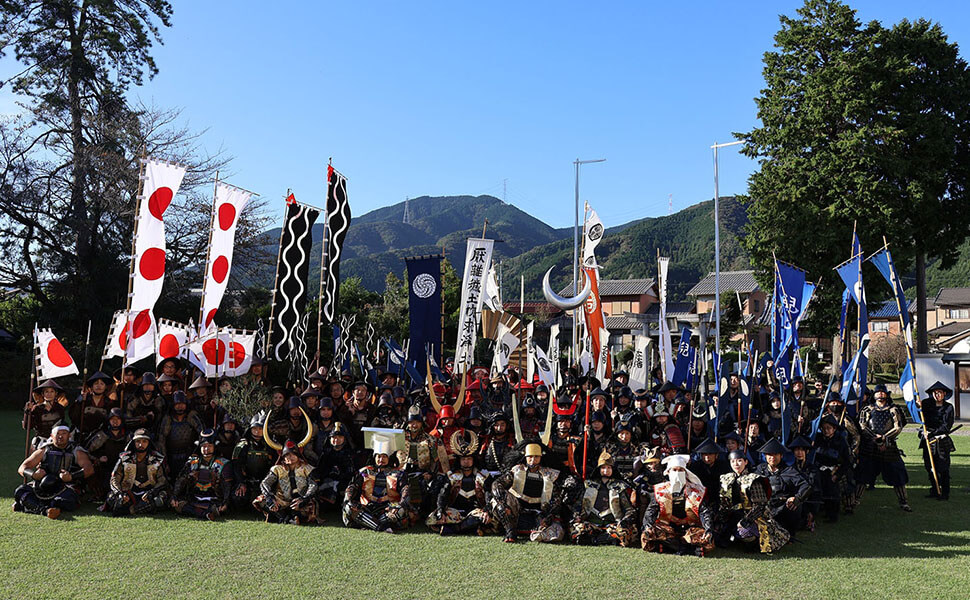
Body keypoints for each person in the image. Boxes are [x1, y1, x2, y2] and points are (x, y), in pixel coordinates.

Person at [716, 450, 789, 554]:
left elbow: (760, 506)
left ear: (746, 462)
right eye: (733, 461)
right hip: (732, 515)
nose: (736, 464)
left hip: (753, 517)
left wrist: (745, 521)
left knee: (743, 532)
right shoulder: (726, 478)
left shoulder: (754, 480)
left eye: (739, 461)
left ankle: (753, 544)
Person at [490, 443, 565, 543]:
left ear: (541, 457)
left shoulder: (550, 474)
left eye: (536, 457)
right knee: (497, 503)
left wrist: (549, 518)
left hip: (539, 512)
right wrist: (504, 503)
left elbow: (557, 499)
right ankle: (510, 532)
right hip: (516, 510)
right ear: (525, 457)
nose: (533, 460)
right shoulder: (517, 470)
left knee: (556, 533)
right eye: (530, 457)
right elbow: (497, 484)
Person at [343, 429, 415, 533]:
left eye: (384, 456)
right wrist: (348, 498)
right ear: (374, 457)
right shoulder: (365, 471)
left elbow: (405, 490)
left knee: (400, 511)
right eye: (379, 456)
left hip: (388, 510)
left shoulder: (399, 473)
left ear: (390, 457)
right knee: (349, 507)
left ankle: (370, 524)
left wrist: (401, 504)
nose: (381, 460)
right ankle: (381, 527)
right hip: (367, 508)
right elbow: (353, 486)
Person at [641, 454, 714, 556]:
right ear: (668, 472)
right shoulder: (660, 490)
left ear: (685, 472)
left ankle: (671, 547)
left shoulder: (696, 490)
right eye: (674, 470)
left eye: (680, 470)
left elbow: (704, 512)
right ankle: (685, 548)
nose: (677, 473)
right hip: (667, 527)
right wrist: (648, 526)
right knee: (648, 534)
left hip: (690, 527)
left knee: (705, 538)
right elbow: (651, 511)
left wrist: (708, 529)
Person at [14, 425, 93, 518]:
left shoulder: (76, 450)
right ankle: (45, 510)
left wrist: (71, 476)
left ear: (69, 436)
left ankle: (26, 506)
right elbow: (22, 467)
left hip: (66, 486)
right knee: (20, 491)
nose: (60, 436)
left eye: (64, 433)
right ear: (51, 436)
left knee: (66, 500)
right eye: (57, 434)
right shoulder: (44, 450)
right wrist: (34, 475)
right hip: (43, 486)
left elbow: (89, 469)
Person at [856, 384, 911, 511]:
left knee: (898, 474)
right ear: (873, 395)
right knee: (863, 474)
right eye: (878, 392)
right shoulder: (867, 409)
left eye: (882, 392)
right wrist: (875, 437)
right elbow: (862, 426)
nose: (880, 394)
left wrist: (885, 438)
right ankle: (855, 500)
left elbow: (898, 426)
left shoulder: (894, 409)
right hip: (870, 446)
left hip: (889, 447)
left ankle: (903, 501)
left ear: (887, 394)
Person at [426, 430, 492, 535]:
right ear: (459, 460)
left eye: (469, 458)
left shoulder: (482, 476)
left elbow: (489, 494)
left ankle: (454, 529)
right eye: (463, 459)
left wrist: (487, 510)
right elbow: (443, 493)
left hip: (476, 511)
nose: (466, 462)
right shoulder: (452, 476)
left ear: (474, 460)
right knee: (433, 518)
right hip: (455, 512)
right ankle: (472, 529)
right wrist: (441, 510)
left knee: (486, 518)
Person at [570, 451, 636, 547]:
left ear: (613, 469)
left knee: (624, 533)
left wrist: (624, 520)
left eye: (609, 468)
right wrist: (576, 516)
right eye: (603, 468)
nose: (606, 470)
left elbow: (629, 509)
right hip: (591, 523)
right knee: (577, 530)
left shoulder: (619, 486)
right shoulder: (589, 484)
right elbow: (578, 504)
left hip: (612, 524)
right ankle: (603, 539)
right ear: (599, 469)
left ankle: (597, 539)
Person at [171, 429, 233, 520]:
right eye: (203, 446)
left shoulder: (223, 463)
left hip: (214, 499)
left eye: (209, 446)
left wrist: (225, 502)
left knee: (219, 509)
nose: (206, 449)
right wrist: (174, 496)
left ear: (215, 446)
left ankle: (206, 512)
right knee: (178, 505)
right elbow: (181, 480)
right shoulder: (192, 462)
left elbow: (227, 486)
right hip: (193, 498)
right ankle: (205, 514)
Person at [105, 429, 169, 516]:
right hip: (129, 492)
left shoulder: (156, 459)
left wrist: (152, 492)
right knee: (112, 497)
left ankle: (128, 510)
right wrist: (120, 493)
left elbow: (162, 480)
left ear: (148, 443)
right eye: (138, 441)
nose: (140, 444)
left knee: (161, 498)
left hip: (148, 492)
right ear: (133, 443)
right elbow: (115, 478)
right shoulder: (125, 458)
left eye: (144, 441)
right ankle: (137, 508)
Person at [254, 441, 319, 524]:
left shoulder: (307, 468)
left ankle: (287, 518)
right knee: (261, 500)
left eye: (293, 454)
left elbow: (313, 485)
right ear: (283, 457)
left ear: (298, 455)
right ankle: (285, 518)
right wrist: (269, 497)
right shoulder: (277, 469)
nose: (290, 457)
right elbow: (265, 483)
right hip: (281, 500)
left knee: (311, 507)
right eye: (287, 455)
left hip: (300, 500)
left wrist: (305, 498)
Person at [754, 438, 811, 533]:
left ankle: (789, 533)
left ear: (781, 455)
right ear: (765, 456)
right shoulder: (760, 469)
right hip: (764, 506)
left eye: (775, 454)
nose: (772, 457)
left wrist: (797, 498)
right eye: (770, 455)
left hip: (782, 508)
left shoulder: (789, 471)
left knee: (794, 506)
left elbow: (805, 486)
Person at [231, 414, 277, 512]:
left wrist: (269, 484)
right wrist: (241, 482)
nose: (257, 432)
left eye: (260, 429)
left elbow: (274, 466)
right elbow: (236, 466)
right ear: (250, 429)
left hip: (266, 482)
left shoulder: (271, 446)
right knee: (238, 499)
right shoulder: (243, 446)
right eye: (254, 429)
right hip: (247, 481)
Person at [812, 414, 854, 520]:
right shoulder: (818, 439)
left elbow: (847, 461)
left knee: (834, 493)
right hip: (820, 470)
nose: (826, 431)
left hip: (835, 470)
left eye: (828, 428)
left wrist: (837, 474)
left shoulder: (841, 441)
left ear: (834, 429)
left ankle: (833, 514)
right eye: (824, 428)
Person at [918, 381, 955, 500]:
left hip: (941, 441)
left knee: (943, 468)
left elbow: (946, 426)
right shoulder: (927, 405)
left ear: (944, 394)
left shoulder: (949, 407)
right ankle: (934, 490)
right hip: (927, 440)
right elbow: (921, 418)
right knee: (930, 467)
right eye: (934, 393)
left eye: (939, 393)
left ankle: (945, 493)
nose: (936, 395)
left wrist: (932, 433)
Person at [85, 407, 131, 500]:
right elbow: (87, 452)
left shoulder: (128, 436)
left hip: (123, 468)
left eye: (118, 419)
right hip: (106, 468)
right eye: (112, 419)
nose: (115, 422)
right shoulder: (102, 435)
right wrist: (98, 459)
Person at [314, 422, 357, 509]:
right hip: (327, 483)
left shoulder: (350, 454)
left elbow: (352, 473)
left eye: (339, 437)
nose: (336, 440)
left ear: (344, 439)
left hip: (344, 484)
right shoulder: (326, 453)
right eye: (333, 437)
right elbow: (320, 470)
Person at [22, 379, 67, 452]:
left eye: (52, 391)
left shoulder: (60, 408)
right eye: (46, 391)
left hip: (56, 441)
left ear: (56, 393)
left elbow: (62, 425)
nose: (49, 394)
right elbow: (27, 426)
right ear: (43, 394)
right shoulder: (36, 409)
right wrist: (27, 412)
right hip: (40, 441)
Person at [688, 438, 729, 509]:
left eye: (710, 454)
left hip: (718, 499)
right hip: (700, 499)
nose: (707, 457)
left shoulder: (724, 466)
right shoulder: (695, 467)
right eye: (704, 454)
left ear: (716, 455)